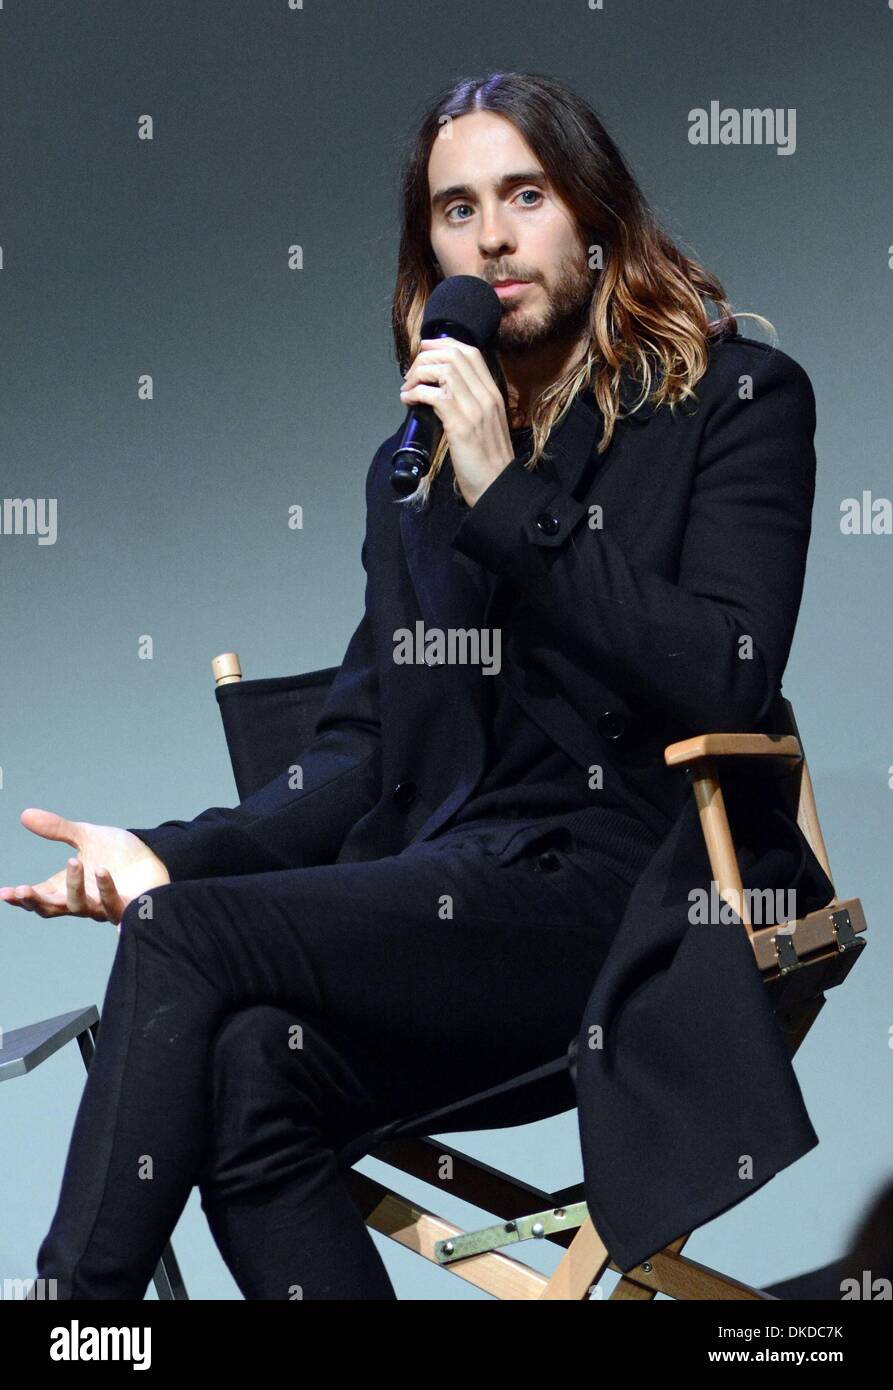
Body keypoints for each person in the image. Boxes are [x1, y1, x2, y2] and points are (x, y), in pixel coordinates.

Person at [2, 70, 818, 1299]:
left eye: (524, 195)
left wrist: (511, 501)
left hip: (635, 898)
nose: (489, 236)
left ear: (594, 221)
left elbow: (727, 676)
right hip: (459, 901)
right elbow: (361, 751)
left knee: (183, 949)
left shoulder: (732, 401)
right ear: (423, 250)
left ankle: (73, 1320)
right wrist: (172, 853)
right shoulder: (415, 470)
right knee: (250, 1071)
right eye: (454, 209)